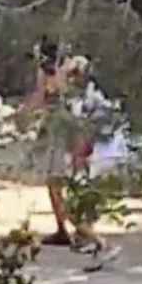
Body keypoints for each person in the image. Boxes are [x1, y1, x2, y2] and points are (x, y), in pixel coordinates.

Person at [18, 41, 112, 254]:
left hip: (59, 130)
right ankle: (74, 228)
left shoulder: (50, 72)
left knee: (56, 181)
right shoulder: (79, 66)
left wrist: (23, 113)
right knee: (78, 178)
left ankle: (83, 231)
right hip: (81, 128)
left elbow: (41, 96)